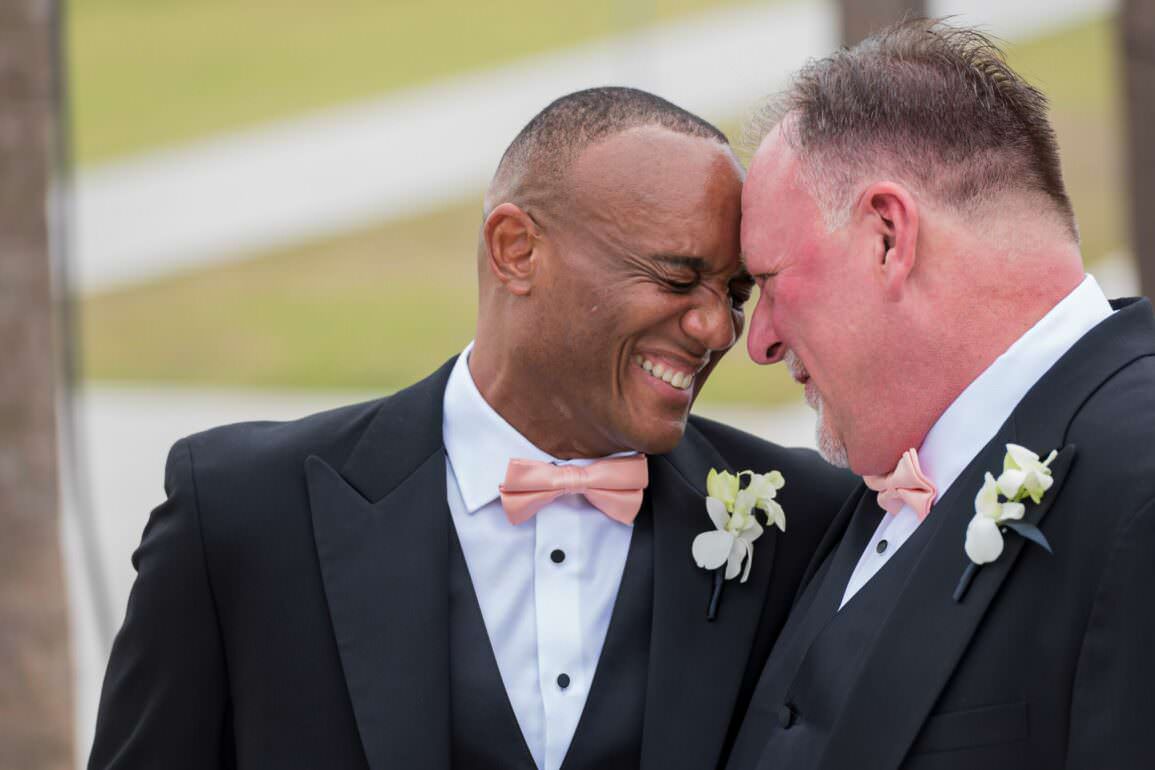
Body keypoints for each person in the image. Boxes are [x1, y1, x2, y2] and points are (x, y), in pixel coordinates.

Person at [88, 87, 853, 770]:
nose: (716, 328)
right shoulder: (240, 513)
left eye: (735, 291)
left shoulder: (806, 520)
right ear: (515, 250)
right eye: (677, 278)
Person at [726, 19, 1155, 770]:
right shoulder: (861, 494)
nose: (757, 341)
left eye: (767, 280)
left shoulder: (1140, 482)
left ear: (888, 235)